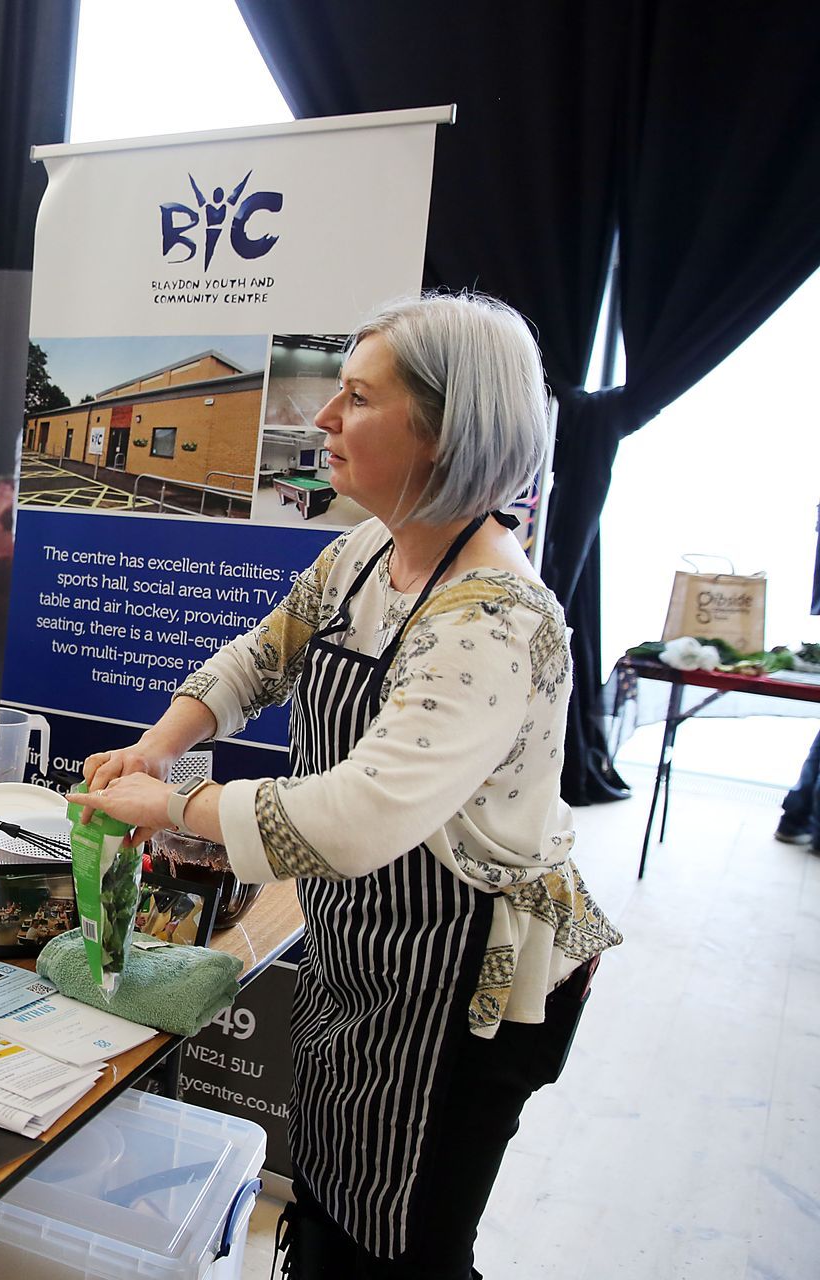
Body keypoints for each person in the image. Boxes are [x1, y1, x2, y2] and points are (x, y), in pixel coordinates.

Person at [73, 293, 623, 1277]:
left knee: (408, 1240)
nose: (322, 417)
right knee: (334, 1189)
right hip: (366, 944)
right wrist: (162, 743)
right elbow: (263, 655)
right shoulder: (368, 553)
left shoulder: (491, 621)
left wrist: (173, 807)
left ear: (444, 431)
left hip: (460, 982)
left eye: (357, 398)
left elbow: (360, 815)